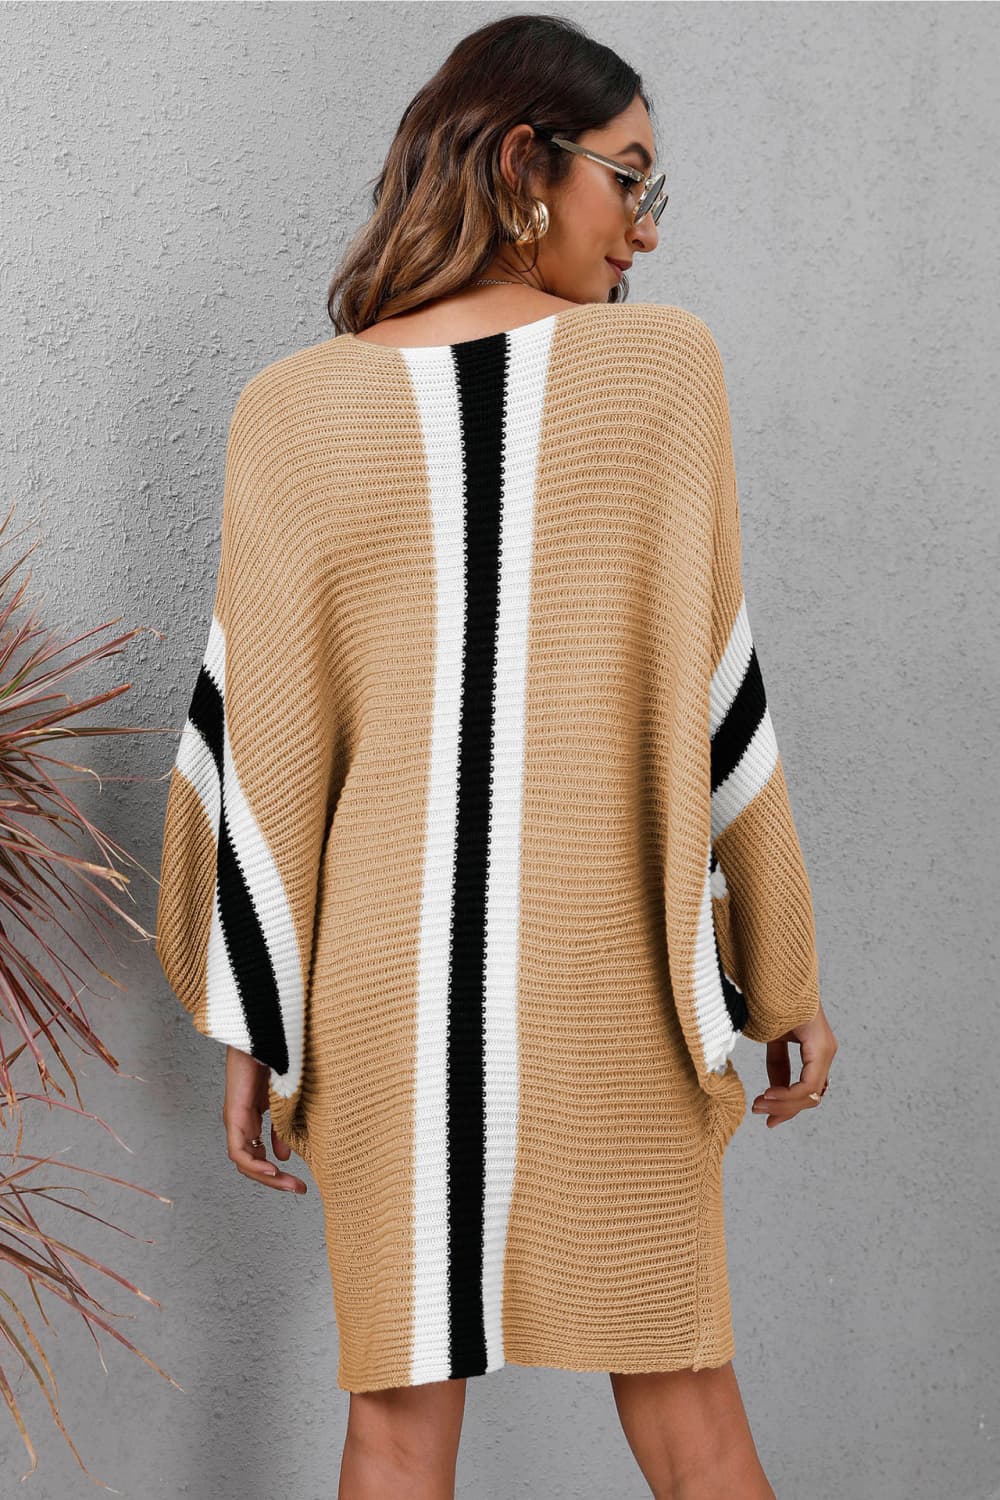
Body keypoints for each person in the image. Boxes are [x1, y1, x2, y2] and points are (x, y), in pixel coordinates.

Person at [155, 13, 838, 1499]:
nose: (645, 231)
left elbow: (264, 754)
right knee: (693, 1414)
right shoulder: (663, 372)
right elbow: (720, 696)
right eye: (630, 180)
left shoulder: (292, 409)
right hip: (613, 971)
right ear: (527, 162)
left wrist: (255, 1021)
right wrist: (780, 975)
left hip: (382, 997)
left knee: (396, 1429)